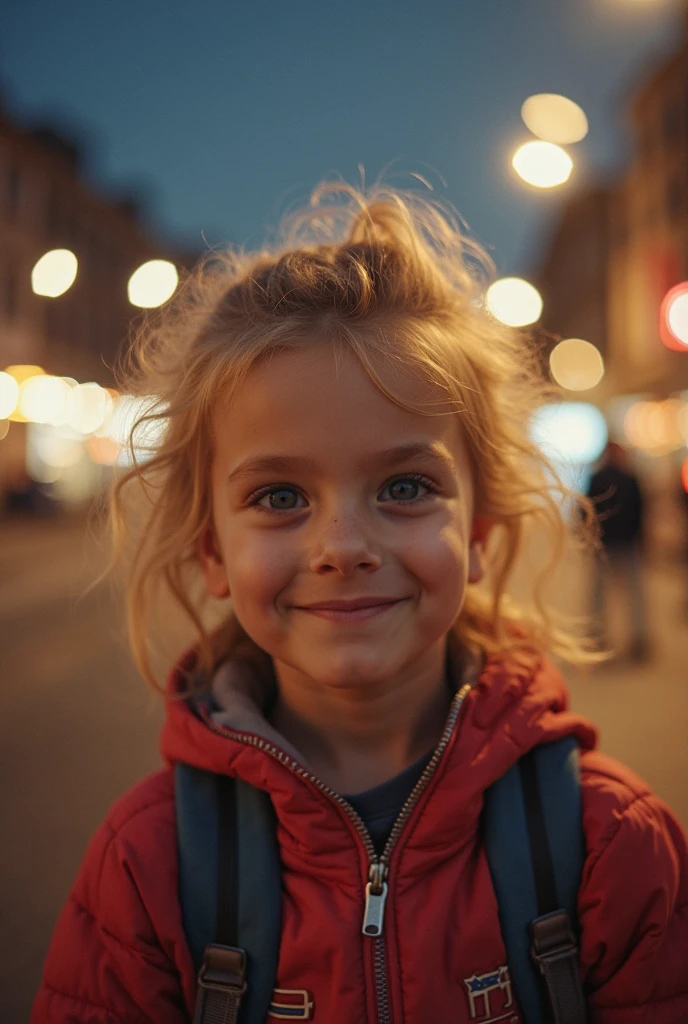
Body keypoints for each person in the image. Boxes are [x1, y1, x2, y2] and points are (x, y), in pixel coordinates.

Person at [31, 185, 688, 1024]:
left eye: (405, 486)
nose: (343, 545)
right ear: (211, 552)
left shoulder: (612, 845)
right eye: (278, 497)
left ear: (480, 530)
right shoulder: (146, 867)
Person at [586, 442, 649, 661]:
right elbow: (641, 512)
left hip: (607, 542)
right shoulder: (630, 479)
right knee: (631, 593)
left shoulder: (598, 478)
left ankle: (597, 636)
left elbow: (587, 511)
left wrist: (588, 538)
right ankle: (637, 638)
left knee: (601, 594)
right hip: (624, 541)